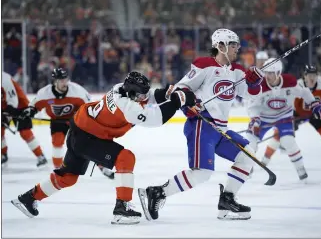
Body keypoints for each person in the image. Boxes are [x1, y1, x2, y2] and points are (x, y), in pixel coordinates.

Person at [11, 71, 196, 225]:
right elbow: (155, 119)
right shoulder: (128, 107)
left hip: (81, 130)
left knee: (67, 177)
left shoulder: (120, 89)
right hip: (89, 138)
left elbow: (149, 98)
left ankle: (28, 198)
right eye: (141, 94)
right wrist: (177, 100)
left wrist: (165, 94)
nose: (145, 97)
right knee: (126, 158)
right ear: (132, 94)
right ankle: (122, 208)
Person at [138, 28, 264, 221]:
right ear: (220, 46)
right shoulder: (204, 65)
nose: (237, 48)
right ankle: (157, 193)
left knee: (247, 157)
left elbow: (249, 94)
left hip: (220, 129)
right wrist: (188, 105)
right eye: (233, 45)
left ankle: (227, 200)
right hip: (201, 125)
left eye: (237, 45)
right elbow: (181, 89)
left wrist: (254, 83)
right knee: (202, 173)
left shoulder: (238, 71)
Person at [245, 59, 321, 181]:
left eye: (271, 73)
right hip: (263, 119)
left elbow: (304, 92)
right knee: (250, 142)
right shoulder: (260, 86)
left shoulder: (290, 82)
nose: (268, 76)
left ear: (278, 73)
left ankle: (300, 169)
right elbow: (252, 105)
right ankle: (246, 168)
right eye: (266, 72)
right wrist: (254, 119)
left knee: (288, 141)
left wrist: (313, 103)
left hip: (284, 117)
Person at [261, 65, 321, 166]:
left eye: (314, 75)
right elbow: (287, 102)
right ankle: (264, 161)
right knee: (278, 134)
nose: (312, 78)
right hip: (295, 113)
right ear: (304, 76)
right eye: (309, 75)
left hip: (314, 114)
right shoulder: (297, 84)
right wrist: (290, 121)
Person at [1, 72, 47, 167]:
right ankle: (3, 155)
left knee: (25, 132)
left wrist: (10, 111)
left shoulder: (4, 79)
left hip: (20, 106)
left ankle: (40, 156)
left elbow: (13, 99)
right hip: (4, 107)